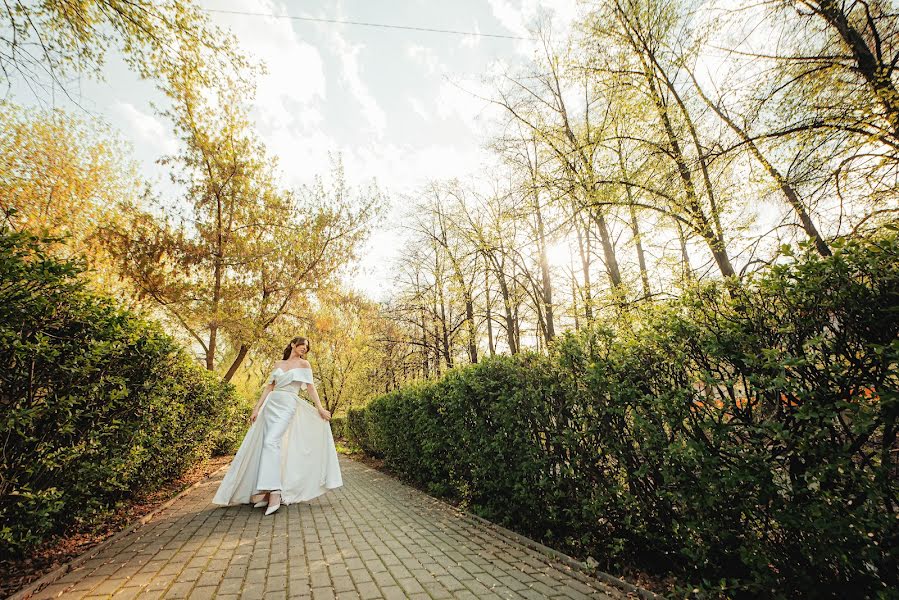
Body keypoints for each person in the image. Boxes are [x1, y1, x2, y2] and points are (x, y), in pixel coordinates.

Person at [212, 336, 343, 514]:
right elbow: (269, 387)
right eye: (302, 345)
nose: (304, 348)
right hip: (271, 405)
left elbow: (311, 387)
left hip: (288, 404)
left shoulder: (305, 365)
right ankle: (266, 493)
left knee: (271, 442)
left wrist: (319, 408)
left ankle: (275, 492)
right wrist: (257, 408)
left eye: (306, 347)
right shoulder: (277, 364)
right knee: (266, 444)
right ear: (292, 345)